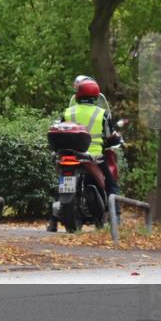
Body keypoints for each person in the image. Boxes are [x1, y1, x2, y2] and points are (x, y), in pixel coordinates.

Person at [50, 77, 120, 232]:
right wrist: (116, 139)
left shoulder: (68, 111)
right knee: (111, 185)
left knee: (60, 184)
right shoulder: (101, 113)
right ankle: (117, 219)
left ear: (78, 94)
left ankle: (52, 221)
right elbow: (109, 136)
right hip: (94, 156)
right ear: (95, 95)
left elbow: (62, 128)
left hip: (70, 155)